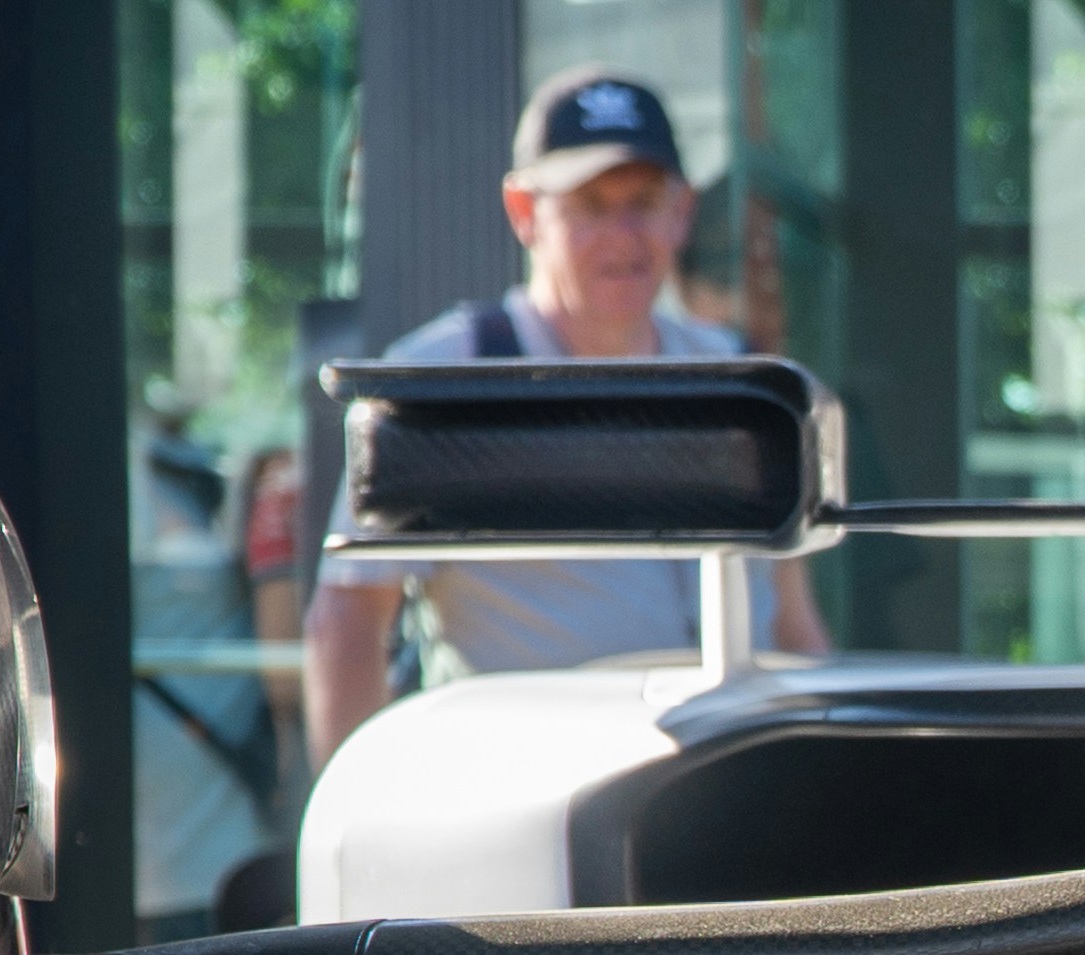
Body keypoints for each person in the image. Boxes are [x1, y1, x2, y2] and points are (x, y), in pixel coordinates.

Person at [304, 67, 821, 754]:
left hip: (731, 780)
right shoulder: (445, 376)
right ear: (524, 213)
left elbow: (792, 614)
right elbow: (347, 617)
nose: (623, 232)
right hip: (525, 800)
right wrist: (348, 828)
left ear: (682, 212)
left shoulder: (743, 378)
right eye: (590, 205)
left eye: (643, 200)